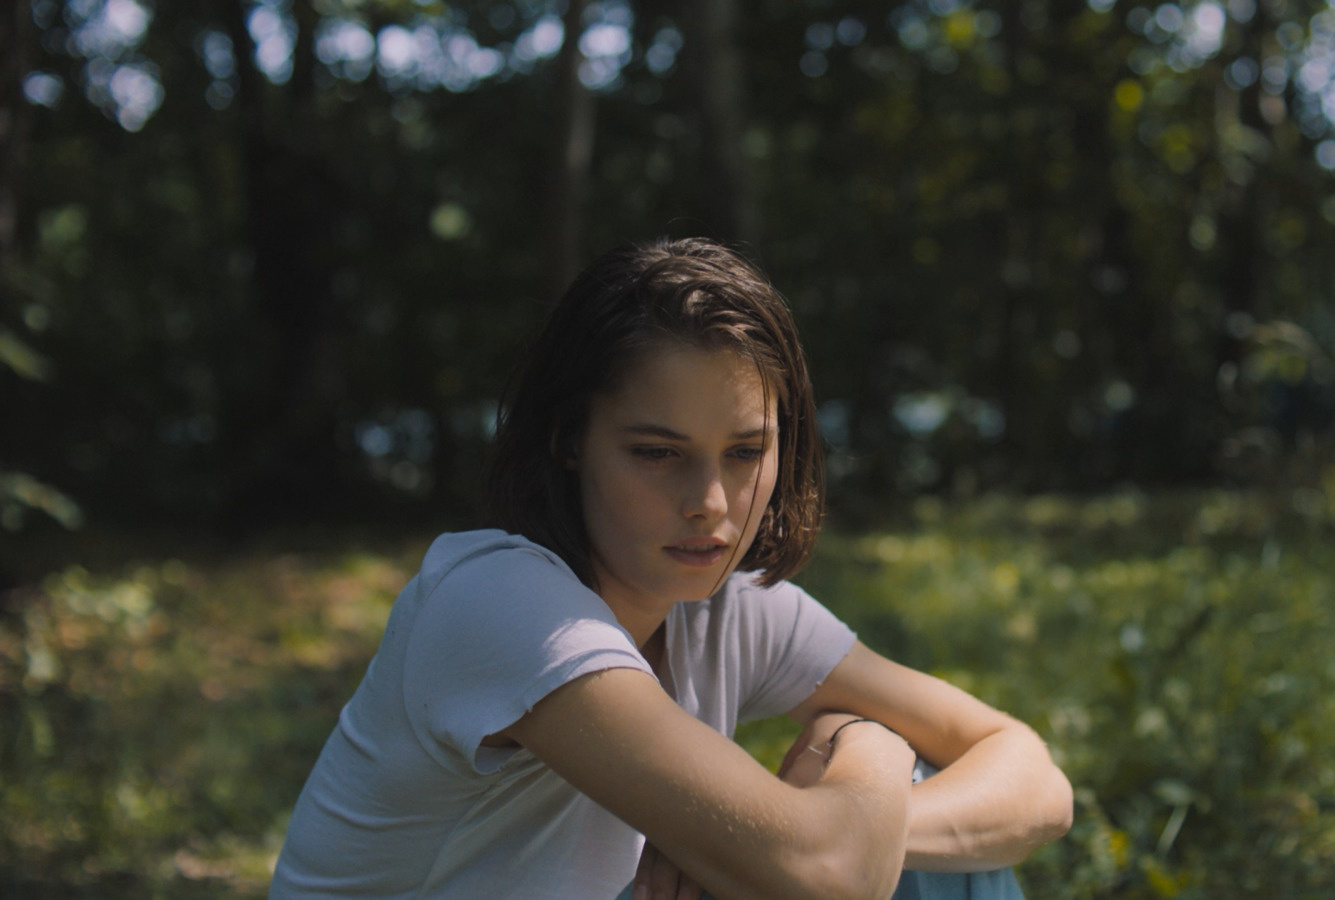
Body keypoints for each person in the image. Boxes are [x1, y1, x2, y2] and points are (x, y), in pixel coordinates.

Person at [270, 238, 1074, 900]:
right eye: (657, 453)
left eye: (746, 452)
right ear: (569, 438)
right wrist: (868, 746)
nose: (710, 503)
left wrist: (856, 810)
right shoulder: (500, 602)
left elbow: (1034, 778)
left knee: (937, 872)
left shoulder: (729, 610)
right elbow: (825, 872)